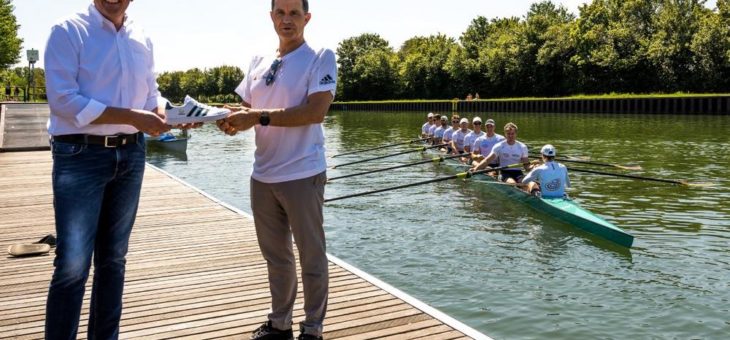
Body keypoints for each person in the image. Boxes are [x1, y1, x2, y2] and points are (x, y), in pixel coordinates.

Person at [43, 1, 170, 339]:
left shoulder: (140, 35)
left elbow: (150, 93)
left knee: (114, 261)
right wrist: (132, 116)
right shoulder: (67, 30)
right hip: (80, 154)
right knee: (72, 265)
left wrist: (163, 112)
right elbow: (63, 100)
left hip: (131, 155)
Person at [216, 0, 334, 338]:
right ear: (271, 17)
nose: (287, 20)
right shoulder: (258, 60)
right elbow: (246, 109)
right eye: (280, 13)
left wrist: (255, 117)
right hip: (263, 176)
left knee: (311, 257)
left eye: (294, 13)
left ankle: (312, 329)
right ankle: (280, 324)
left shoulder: (320, 57)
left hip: (303, 174)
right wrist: (216, 116)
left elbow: (314, 112)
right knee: (276, 258)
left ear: (306, 18)